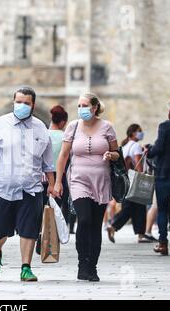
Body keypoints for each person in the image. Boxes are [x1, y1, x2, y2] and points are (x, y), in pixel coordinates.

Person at [0, 87, 56, 282]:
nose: (22, 106)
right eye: (19, 102)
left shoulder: (41, 128)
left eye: (26, 103)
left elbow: (48, 162)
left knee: (29, 229)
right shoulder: (0, 124)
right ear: (13, 101)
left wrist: (52, 184)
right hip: (1, 189)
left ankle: (26, 267)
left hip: (31, 189)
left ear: (33, 105)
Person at [55, 92, 120, 282]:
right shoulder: (73, 127)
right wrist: (58, 181)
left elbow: (117, 153)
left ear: (95, 107)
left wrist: (111, 155)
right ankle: (82, 263)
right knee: (84, 219)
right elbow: (63, 155)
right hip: (78, 180)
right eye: (79, 105)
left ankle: (92, 266)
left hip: (101, 181)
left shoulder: (107, 127)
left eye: (85, 105)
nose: (81, 109)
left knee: (94, 225)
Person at [106, 124, 151, 243]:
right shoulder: (136, 146)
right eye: (139, 131)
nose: (141, 133)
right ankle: (115, 226)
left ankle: (138, 233)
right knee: (135, 207)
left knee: (134, 207)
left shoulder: (125, 146)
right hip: (135, 180)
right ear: (132, 133)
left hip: (126, 180)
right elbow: (138, 166)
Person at [146, 100, 170, 256]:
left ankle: (163, 244)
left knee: (162, 210)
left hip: (164, 175)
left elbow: (157, 148)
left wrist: (149, 150)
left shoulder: (164, 126)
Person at [48, 105, 75, 233]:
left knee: (42, 208)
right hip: (60, 177)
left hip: (42, 177)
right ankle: (52, 235)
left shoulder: (43, 135)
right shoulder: (66, 137)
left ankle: (41, 233)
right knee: (57, 209)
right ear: (63, 122)